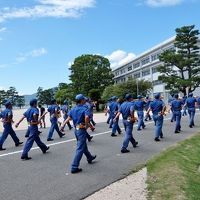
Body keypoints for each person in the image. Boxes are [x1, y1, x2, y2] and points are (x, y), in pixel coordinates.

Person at [60, 94, 96, 174]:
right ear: (82, 100)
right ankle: (74, 167)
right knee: (80, 148)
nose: (85, 100)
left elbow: (68, 118)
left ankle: (89, 157)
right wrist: (87, 126)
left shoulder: (73, 109)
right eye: (84, 99)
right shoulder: (84, 108)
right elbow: (87, 117)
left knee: (83, 145)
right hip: (81, 130)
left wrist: (63, 125)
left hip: (76, 130)